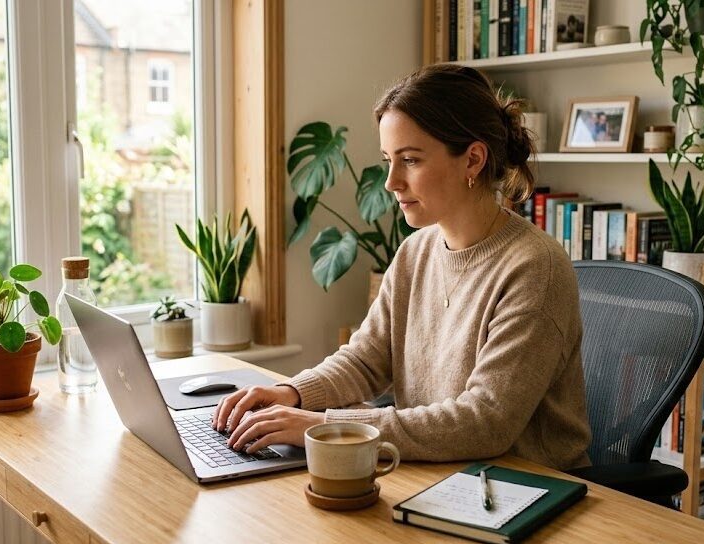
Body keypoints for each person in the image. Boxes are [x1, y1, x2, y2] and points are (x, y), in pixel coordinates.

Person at [213, 64, 591, 471]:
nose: (391, 181)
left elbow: (485, 422)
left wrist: (325, 426)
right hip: (440, 472)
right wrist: (293, 393)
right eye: (388, 160)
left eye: (410, 160)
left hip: (527, 488)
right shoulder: (417, 251)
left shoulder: (535, 268)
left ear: (473, 160)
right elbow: (366, 360)